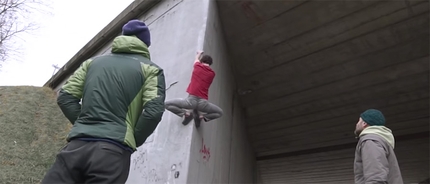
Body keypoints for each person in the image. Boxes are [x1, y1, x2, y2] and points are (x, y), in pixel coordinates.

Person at [41, 19, 166, 184]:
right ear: (145, 44)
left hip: (75, 147)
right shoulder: (151, 70)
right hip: (113, 151)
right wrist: (133, 138)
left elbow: (65, 96)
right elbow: (154, 111)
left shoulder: (91, 63)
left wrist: (83, 123)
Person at [165, 51, 223, 128]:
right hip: (203, 104)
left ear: (202, 61)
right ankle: (202, 117)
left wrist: (199, 54)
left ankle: (185, 113)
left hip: (191, 101)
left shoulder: (197, 66)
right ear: (210, 64)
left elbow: (196, 59)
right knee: (220, 113)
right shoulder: (212, 74)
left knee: (166, 104)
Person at [353, 109, 403, 184]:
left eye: (359, 121)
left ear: (364, 123)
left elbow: (375, 176)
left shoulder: (370, 140)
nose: (357, 124)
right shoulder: (379, 141)